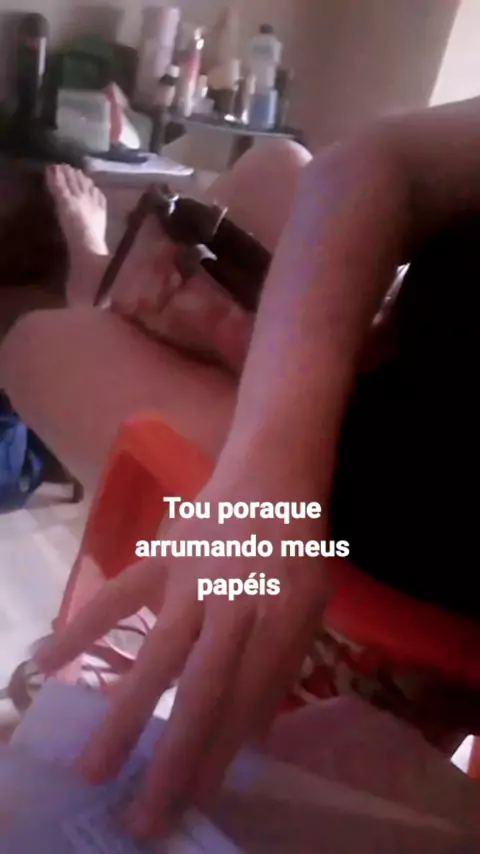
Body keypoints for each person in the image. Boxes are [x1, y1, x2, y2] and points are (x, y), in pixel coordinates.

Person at [35, 95, 480, 839]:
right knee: (277, 166)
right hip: (380, 392)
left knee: (43, 337)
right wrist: (270, 465)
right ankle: (151, 294)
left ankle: (92, 272)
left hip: (373, 547)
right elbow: (378, 163)